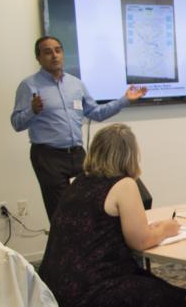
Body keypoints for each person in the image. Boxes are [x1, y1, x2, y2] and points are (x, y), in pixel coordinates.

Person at [37, 124, 186, 307]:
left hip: (51, 286)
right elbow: (141, 241)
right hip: (88, 289)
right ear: (130, 155)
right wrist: (166, 229)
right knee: (169, 299)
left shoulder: (79, 182)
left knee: (145, 285)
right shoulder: (123, 184)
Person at [11, 36, 148, 220]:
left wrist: (125, 100)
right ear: (38, 58)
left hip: (77, 153)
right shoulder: (29, 85)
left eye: (58, 50)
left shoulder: (76, 84)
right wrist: (32, 111)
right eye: (48, 52)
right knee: (61, 212)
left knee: (96, 199)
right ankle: (63, 247)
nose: (54, 55)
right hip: (48, 156)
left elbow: (96, 113)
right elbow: (17, 123)